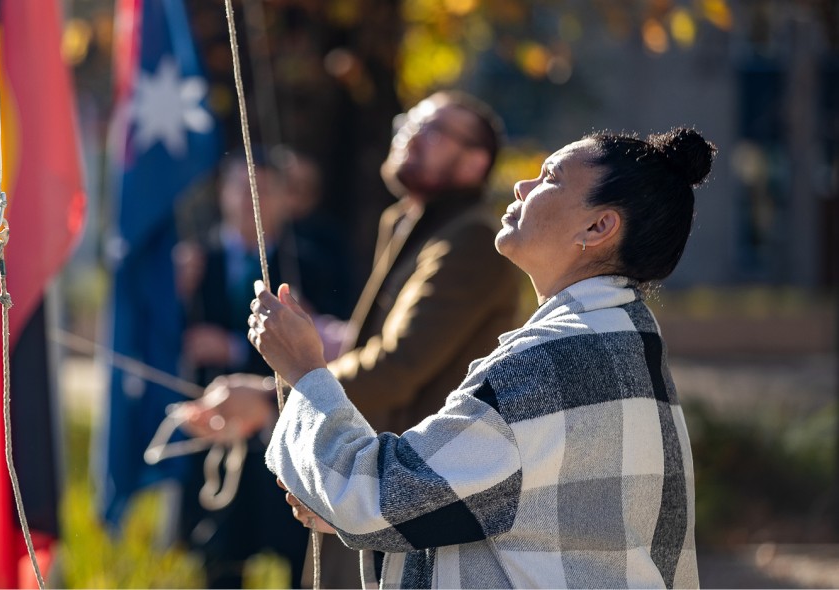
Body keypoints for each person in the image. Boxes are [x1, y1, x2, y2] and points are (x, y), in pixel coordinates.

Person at [246, 127, 714, 588]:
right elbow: (536, 521)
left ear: (598, 227)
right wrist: (390, 515)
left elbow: (374, 496)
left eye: (549, 178)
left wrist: (304, 370)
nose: (521, 185)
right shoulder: (627, 339)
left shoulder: (551, 358)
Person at [181, 90, 521, 587]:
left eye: (434, 130)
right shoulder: (413, 226)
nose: (410, 132)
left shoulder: (469, 240)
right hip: (383, 491)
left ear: (474, 163)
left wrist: (267, 396)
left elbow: (395, 367)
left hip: (413, 499)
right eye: (410, 121)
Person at [172, 149, 348, 588]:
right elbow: (169, 337)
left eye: (266, 190)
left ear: (288, 199)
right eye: (241, 186)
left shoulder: (313, 262)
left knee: (297, 548)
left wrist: (234, 347)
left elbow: (330, 348)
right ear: (222, 192)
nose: (252, 200)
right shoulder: (193, 261)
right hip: (217, 427)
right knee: (220, 553)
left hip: (286, 426)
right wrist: (174, 296)